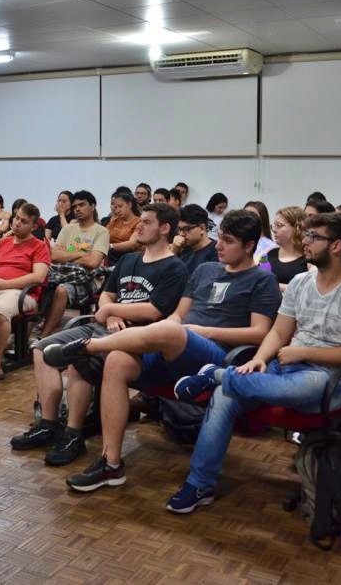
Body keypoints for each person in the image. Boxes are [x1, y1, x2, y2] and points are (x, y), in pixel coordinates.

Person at [45, 210, 281, 492]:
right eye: (220, 239)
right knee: (119, 360)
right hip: (178, 345)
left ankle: (88, 347)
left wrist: (198, 332)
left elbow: (259, 333)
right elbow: (178, 316)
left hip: (216, 359)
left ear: (249, 246)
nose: (218, 245)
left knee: (169, 331)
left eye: (228, 241)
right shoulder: (205, 271)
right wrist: (164, 330)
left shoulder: (262, 280)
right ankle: (111, 463)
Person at [167, 212, 341, 514]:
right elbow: (279, 332)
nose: (305, 241)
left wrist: (303, 353)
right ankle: (199, 484)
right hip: (286, 367)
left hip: (331, 379)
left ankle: (217, 375)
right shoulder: (299, 282)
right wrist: (258, 359)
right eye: (306, 235)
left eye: (313, 237)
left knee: (304, 385)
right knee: (225, 396)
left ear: (336, 246)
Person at [10, 203, 187, 466]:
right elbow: (106, 294)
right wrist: (111, 312)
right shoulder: (129, 260)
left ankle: (73, 434)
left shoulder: (174, 268)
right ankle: (49, 424)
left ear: (164, 229)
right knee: (42, 350)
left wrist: (112, 310)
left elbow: (153, 311)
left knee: (80, 357)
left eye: (147, 222)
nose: (139, 225)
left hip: (136, 336)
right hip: (106, 325)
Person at [0, 203, 51, 381]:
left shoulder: (39, 246)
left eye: (24, 221)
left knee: (1, 311)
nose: (17, 223)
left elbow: (38, 277)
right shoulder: (3, 242)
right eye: (17, 218)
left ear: (34, 226)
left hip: (22, 293)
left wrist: (5, 284)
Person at [38, 190, 110, 338]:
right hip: (62, 273)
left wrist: (67, 255)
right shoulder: (67, 229)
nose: (77, 209)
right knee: (39, 284)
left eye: (82, 205)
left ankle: (44, 336)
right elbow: (53, 256)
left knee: (62, 290)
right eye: (75, 206)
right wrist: (82, 253)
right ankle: (26, 335)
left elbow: (93, 262)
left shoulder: (101, 231)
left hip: (89, 279)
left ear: (92, 206)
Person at [266, 206, 307, 290]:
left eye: (279, 225)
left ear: (296, 228)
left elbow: (307, 290)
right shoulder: (269, 253)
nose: (274, 230)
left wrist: (275, 286)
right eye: (274, 226)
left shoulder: (308, 260)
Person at [174, 204, 218, 281]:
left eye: (187, 229)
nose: (181, 234)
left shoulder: (216, 252)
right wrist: (174, 250)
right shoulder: (184, 247)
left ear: (202, 228)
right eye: (179, 229)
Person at [105, 191, 141, 265]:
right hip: (112, 259)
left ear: (129, 204)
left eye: (120, 206)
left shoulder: (139, 222)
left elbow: (132, 244)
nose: (117, 210)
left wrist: (110, 246)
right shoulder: (114, 221)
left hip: (131, 260)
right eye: (116, 207)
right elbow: (103, 235)